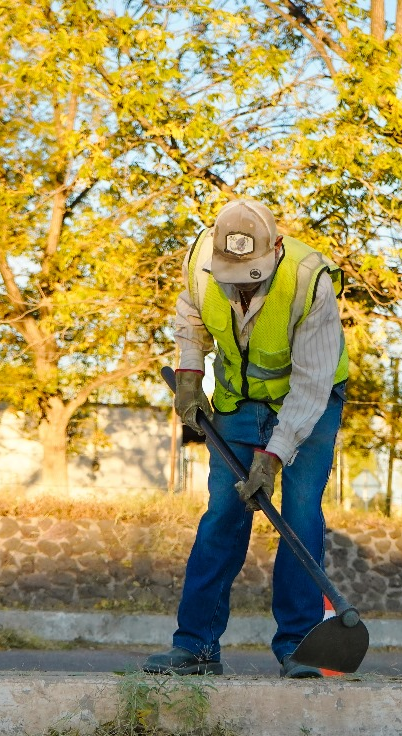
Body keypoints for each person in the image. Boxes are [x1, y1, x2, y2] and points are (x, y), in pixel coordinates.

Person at [144, 199, 350, 679]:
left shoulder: (310, 281)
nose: (240, 286)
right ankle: (196, 647)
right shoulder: (200, 261)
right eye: (231, 276)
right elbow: (192, 317)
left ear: (275, 249)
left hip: (310, 404)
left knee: (299, 518)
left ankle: (301, 647)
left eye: (251, 275)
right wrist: (191, 376)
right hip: (238, 402)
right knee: (221, 516)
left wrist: (274, 456)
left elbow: (311, 385)